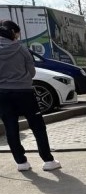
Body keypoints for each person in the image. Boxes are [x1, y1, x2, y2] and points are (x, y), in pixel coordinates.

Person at [0, 20, 61, 172]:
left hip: (3, 94)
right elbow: (32, 72)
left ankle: (21, 162)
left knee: (11, 127)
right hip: (25, 92)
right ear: (13, 32)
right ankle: (48, 160)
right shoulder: (21, 49)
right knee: (37, 126)